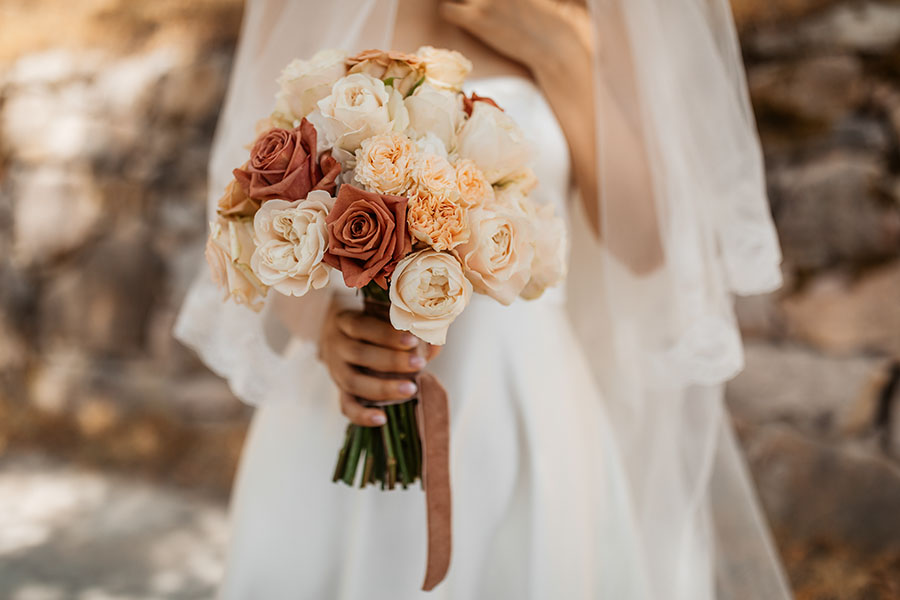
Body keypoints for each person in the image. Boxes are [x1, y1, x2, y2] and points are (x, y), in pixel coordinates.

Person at [176, 1, 793, 598]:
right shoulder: (312, 8)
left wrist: (564, 58)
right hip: (345, 403)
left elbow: (643, 244)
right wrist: (328, 332)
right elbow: (262, 210)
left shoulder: (589, 17)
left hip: (521, 401)